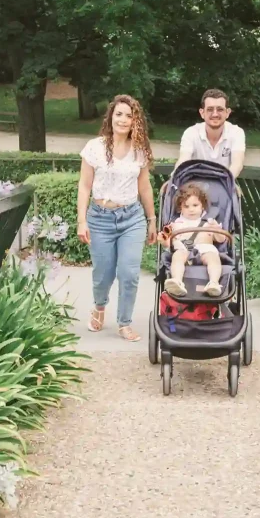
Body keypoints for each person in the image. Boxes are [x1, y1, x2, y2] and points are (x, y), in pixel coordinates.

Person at [76, 95, 158, 342]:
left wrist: (152, 219)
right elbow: (84, 186)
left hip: (131, 218)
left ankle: (124, 322)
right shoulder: (95, 147)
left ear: (136, 121)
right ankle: (99, 307)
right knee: (103, 273)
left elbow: (145, 188)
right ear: (111, 117)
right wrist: (82, 220)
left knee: (129, 272)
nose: (123, 119)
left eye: (129, 115)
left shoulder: (139, 151)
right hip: (100, 219)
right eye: (119, 114)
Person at [159, 182, 225, 298]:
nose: (191, 209)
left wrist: (216, 230)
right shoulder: (176, 224)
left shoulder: (208, 222)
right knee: (177, 257)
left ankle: (213, 283)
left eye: (195, 205)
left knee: (213, 259)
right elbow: (169, 245)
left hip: (205, 250)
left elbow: (221, 239)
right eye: (186, 206)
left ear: (202, 206)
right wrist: (164, 241)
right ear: (180, 208)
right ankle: (177, 281)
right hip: (184, 251)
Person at [174, 88, 246, 179]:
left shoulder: (236, 132)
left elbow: (237, 164)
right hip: (196, 187)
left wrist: (227, 183)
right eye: (210, 109)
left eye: (220, 109)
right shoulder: (191, 133)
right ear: (202, 113)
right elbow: (183, 161)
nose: (215, 114)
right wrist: (174, 180)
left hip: (224, 185)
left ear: (227, 113)